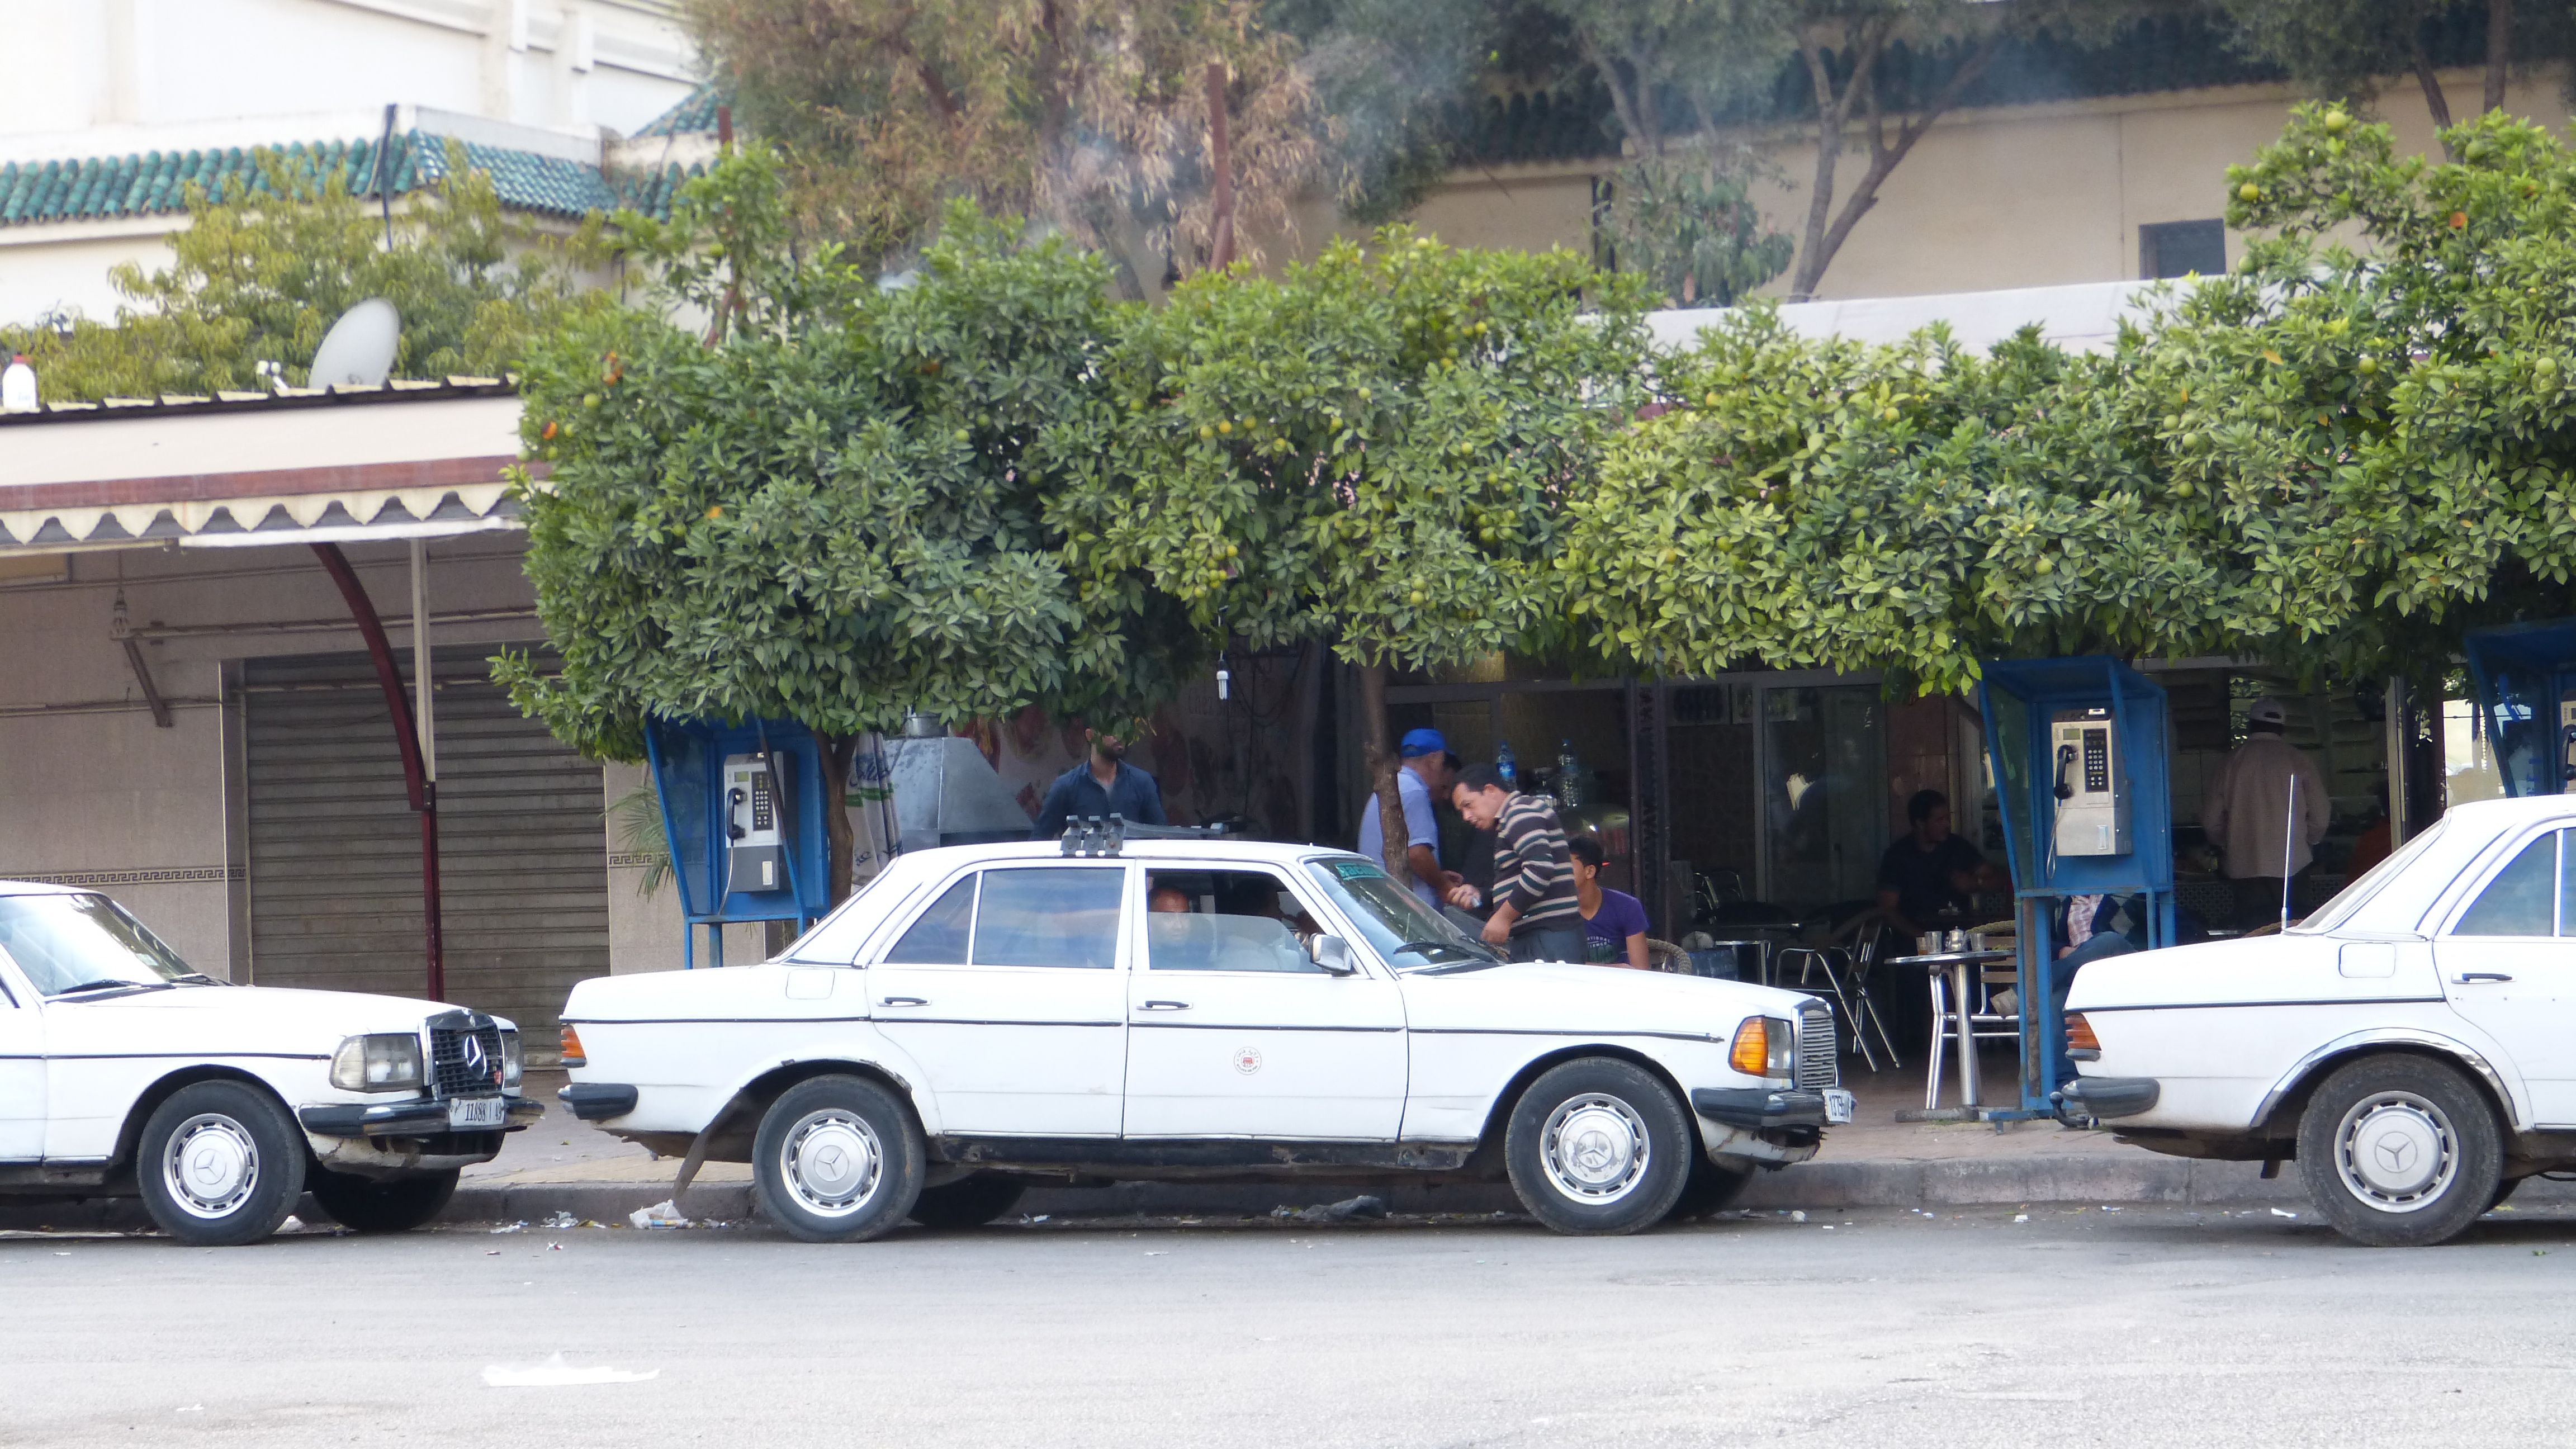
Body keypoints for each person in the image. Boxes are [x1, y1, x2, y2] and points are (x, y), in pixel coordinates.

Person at [2203, 697, 2330, 930]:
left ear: (2249, 725)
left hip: (2244, 867)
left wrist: (2226, 843)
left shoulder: (2230, 762)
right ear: (2283, 728)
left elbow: (2211, 821)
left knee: (2255, 933)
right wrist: (2307, 841)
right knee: (2295, 931)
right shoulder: (2299, 760)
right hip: (2294, 865)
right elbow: (2321, 816)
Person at [1446, 763, 1582, 963]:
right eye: (1461, 811)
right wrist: (1481, 897)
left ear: (1490, 790)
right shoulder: (1514, 816)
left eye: (1468, 805)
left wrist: (1503, 918)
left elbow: (1539, 870)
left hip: (1548, 936)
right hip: (1542, 936)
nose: (1466, 817)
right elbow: (1525, 880)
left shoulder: (1519, 812)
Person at [1876, 789, 2003, 940]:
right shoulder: (1898, 856)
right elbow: (1887, 909)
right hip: (1914, 945)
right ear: (1920, 824)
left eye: (1947, 819)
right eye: (1939, 820)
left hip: (1960, 940)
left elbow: (1998, 880)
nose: (1947, 825)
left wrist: (1976, 883)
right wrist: (1923, 938)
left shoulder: (1958, 847)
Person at [1356, 728, 1462, 908]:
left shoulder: (1393, 786)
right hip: (1403, 914)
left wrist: (1436, 875)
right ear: (1434, 760)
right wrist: (1446, 888)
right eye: (1445, 786)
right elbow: (1417, 854)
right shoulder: (1414, 791)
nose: (1445, 796)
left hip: (1382, 904)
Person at [1032, 727, 1167, 839]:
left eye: (1123, 729)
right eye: (1111, 729)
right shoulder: (1065, 786)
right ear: (1090, 735)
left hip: (1131, 869)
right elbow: (1038, 844)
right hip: (1083, 869)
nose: (1119, 736)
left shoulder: (1142, 782)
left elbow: (1161, 839)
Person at [1568, 836, 1650, 970]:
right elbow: (1560, 966)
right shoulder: (1560, 912)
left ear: (1590, 871)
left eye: (1567, 866)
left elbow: (1641, 970)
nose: (1559, 872)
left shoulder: (1628, 907)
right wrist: (1619, 968)